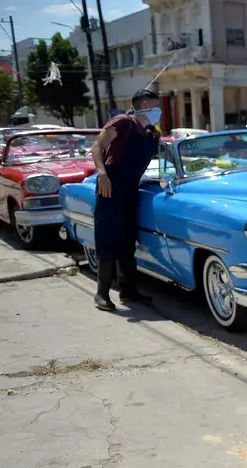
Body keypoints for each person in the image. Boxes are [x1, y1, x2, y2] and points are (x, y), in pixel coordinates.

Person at [89, 89, 162, 311]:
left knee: (127, 242)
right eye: (155, 105)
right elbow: (97, 146)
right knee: (108, 240)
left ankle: (128, 291)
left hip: (131, 190)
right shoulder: (122, 122)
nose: (158, 110)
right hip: (110, 187)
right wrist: (102, 174)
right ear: (143, 104)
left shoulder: (150, 133)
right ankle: (101, 294)